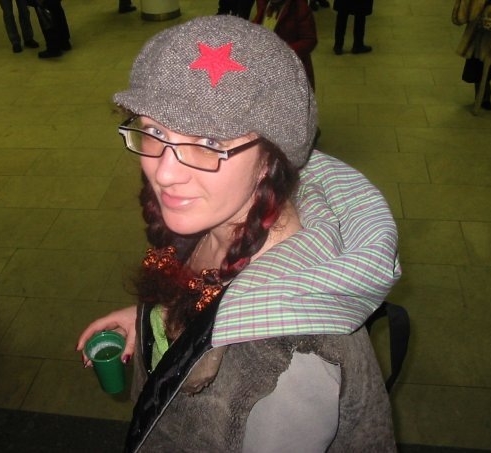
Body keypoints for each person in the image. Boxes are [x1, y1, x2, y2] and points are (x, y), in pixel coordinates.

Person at [76, 15, 400, 452]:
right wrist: (155, 322)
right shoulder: (220, 216)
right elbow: (210, 295)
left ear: (270, 158)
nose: (165, 173)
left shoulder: (289, 369)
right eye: (154, 132)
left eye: (208, 142)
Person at [253, 0, 318, 91]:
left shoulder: (299, 7)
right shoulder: (264, 3)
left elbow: (309, 40)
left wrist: (282, 52)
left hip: (291, 71)